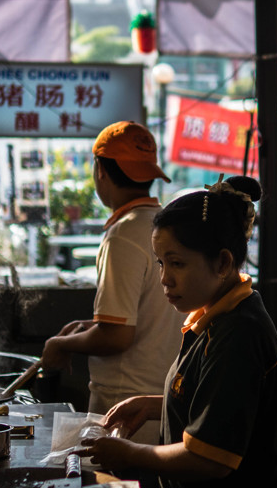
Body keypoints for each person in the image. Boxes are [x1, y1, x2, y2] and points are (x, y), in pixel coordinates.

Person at [78, 174, 277, 488]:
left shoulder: (236, 333)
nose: (165, 280)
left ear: (221, 262)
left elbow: (211, 458)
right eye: (161, 263)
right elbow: (220, 400)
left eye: (177, 263)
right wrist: (155, 405)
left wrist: (129, 454)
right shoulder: (215, 316)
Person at [39, 121, 183, 444]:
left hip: (126, 417)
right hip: (163, 410)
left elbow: (117, 336)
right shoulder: (166, 225)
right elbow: (142, 314)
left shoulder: (123, 236)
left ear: (101, 172)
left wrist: (60, 345)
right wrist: (88, 324)